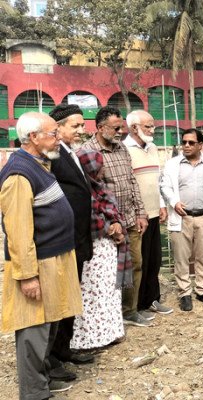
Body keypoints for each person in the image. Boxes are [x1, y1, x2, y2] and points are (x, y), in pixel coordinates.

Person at [0, 112, 83, 398]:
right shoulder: (19, 173)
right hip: (38, 265)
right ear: (33, 137)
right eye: (52, 134)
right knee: (33, 330)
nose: (58, 138)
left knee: (50, 322)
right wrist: (27, 276)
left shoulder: (39, 164)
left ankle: (43, 378)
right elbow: (19, 231)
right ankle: (34, 392)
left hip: (54, 259)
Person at [82, 106, 150, 327]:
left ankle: (130, 311)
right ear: (100, 128)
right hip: (106, 224)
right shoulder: (87, 152)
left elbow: (132, 183)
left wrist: (141, 213)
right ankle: (109, 316)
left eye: (121, 126)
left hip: (129, 218)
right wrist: (110, 223)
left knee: (135, 264)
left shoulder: (122, 149)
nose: (121, 131)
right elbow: (90, 192)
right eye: (116, 127)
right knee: (107, 272)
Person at [47, 105, 95, 383]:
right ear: (59, 127)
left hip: (78, 237)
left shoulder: (70, 152)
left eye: (81, 125)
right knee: (59, 300)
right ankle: (52, 358)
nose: (81, 130)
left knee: (70, 298)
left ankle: (64, 348)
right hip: (64, 240)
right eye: (75, 126)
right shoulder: (52, 155)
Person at [160, 128, 203, 312]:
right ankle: (184, 293)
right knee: (181, 257)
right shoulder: (172, 164)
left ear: (201, 145)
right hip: (181, 217)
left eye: (191, 143)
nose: (186, 146)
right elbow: (165, 187)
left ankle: (202, 290)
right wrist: (174, 202)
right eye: (184, 142)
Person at [71, 149, 131, 350]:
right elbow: (88, 219)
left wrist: (117, 224)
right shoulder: (82, 191)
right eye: (100, 165)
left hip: (107, 249)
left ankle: (111, 332)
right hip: (93, 250)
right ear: (92, 169)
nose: (104, 169)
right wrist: (111, 229)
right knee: (92, 294)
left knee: (109, 292)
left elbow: (113, 211)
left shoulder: (101, 188)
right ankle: (90, 338)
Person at [124, 110, 172, 316]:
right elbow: (127, 186)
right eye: (148, 126)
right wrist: (136, 214)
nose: (152, 130)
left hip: (153, 213)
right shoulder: (124, 149)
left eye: (153, 126)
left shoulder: (152, 148)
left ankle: (152, 299)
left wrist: (161, 205)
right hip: (137, 216)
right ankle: (136, 306)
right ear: (134, 128)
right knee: (138, 261)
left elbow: (157, 181)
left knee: (154, 260)